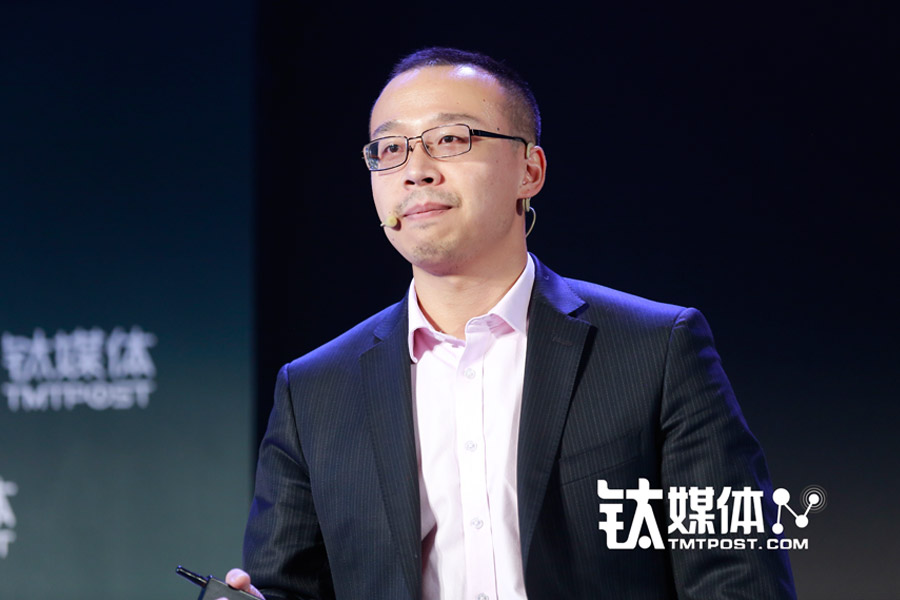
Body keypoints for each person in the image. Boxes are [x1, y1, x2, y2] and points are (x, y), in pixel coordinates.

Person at [221, 47, 797, 599]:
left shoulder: (656, 350)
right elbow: (286, 587)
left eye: (450, 139)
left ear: (530, 170)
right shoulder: (314, 390)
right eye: (390, 148)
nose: (415, 171)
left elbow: (737, 578)